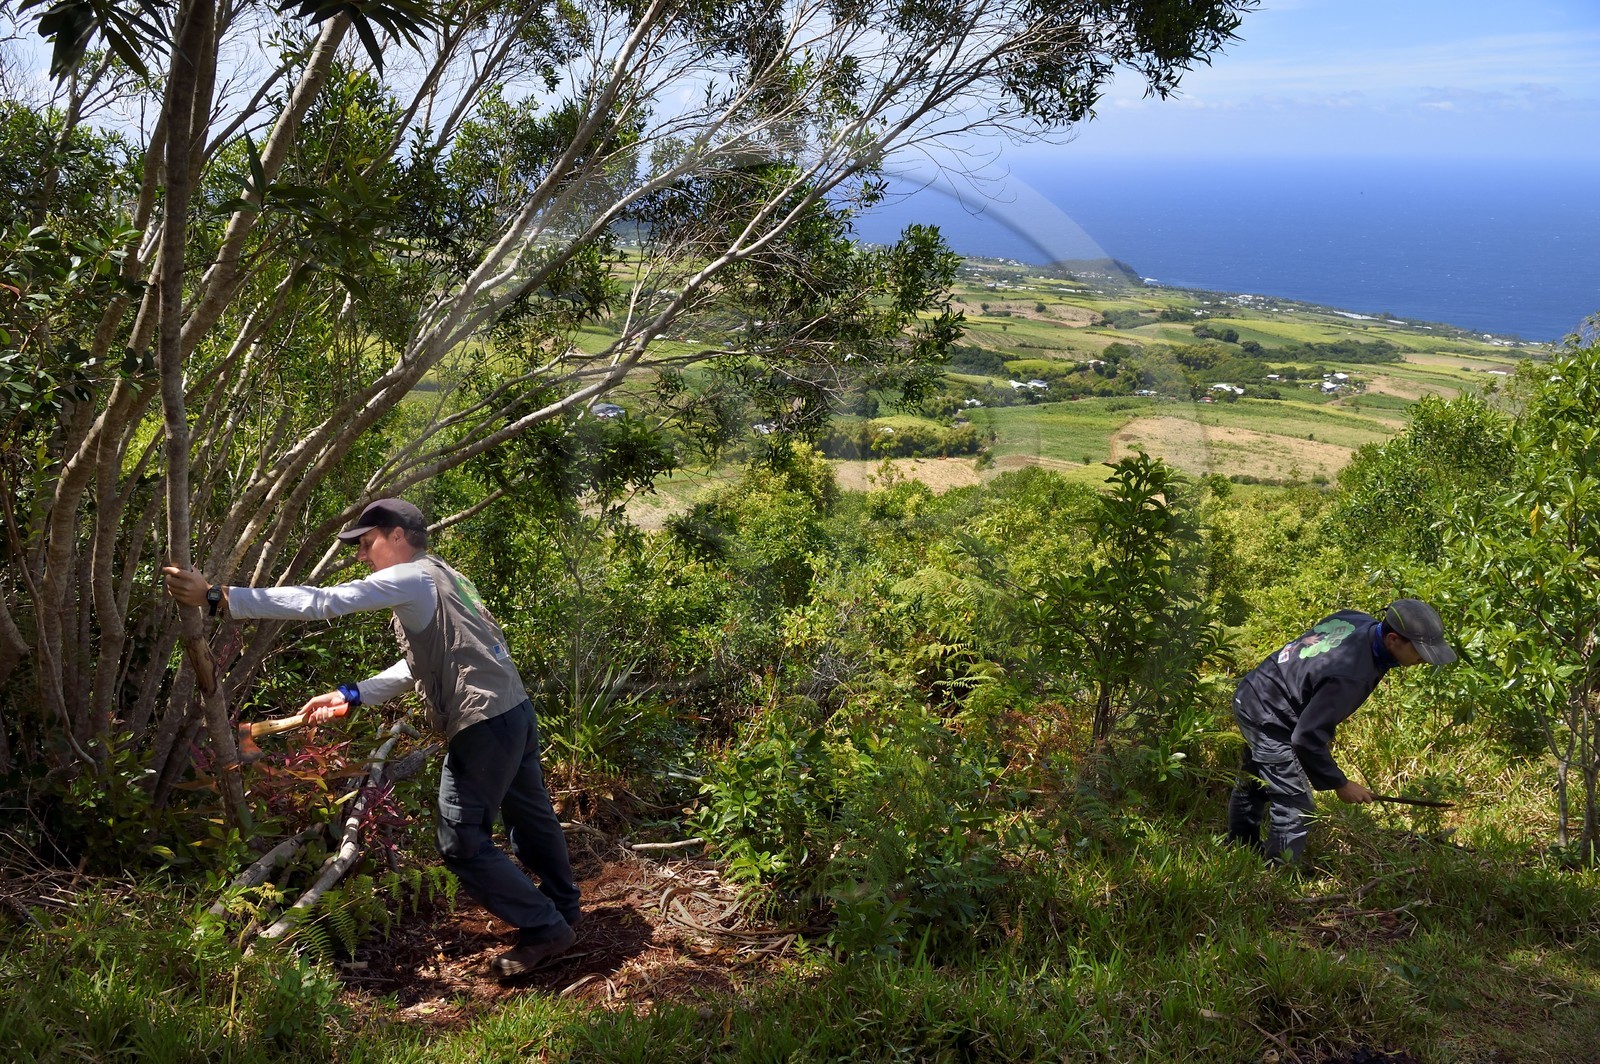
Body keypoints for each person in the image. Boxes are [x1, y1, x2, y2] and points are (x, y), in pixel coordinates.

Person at [164, 498, 580, 977]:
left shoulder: (411, 578)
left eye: (366, 543)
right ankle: (564, 912)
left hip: (483, 720)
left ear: (396, 536)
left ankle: (546, 928)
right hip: (513, 711)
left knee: (461, 840)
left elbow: (324, 602)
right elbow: (420, 664)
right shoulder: (444, 576)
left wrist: (219, 597)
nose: (361, 556)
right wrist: (353, 694)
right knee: (531, 819)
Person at [1226, 598, 1456, 865]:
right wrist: (1340, 783)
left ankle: (1240, 848)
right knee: (1296, 804)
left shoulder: (1357, 620)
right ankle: (1277, 876)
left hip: (1255, 691)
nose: (1423, 660)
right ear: (1393, 639)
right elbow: (1305, 738)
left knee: (1257, 779)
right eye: (1419, 652)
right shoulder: (1352, 674)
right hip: (1269, 716)